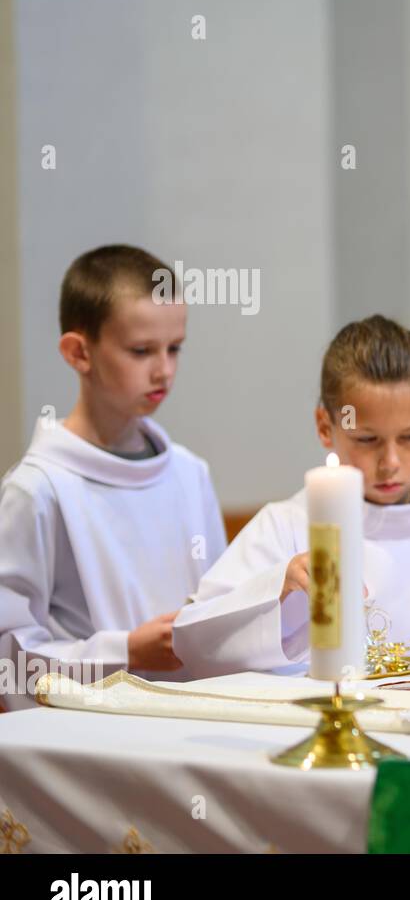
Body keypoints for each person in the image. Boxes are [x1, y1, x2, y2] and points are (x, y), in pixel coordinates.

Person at [172, 315, 410, 677]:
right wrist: (279, 589)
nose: (390, 463)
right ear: (325, 427)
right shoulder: (286, 526)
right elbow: (194, 643)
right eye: (367, 439)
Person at [0, 245, 225, 708]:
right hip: (89, 738)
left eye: (174, 348)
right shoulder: (38, 489)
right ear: (79, 352)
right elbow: (10, 655)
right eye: (141, 351)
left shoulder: (188, 474)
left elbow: (220, 605)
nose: (164, 370)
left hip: (193, 720)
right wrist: (126, 651)